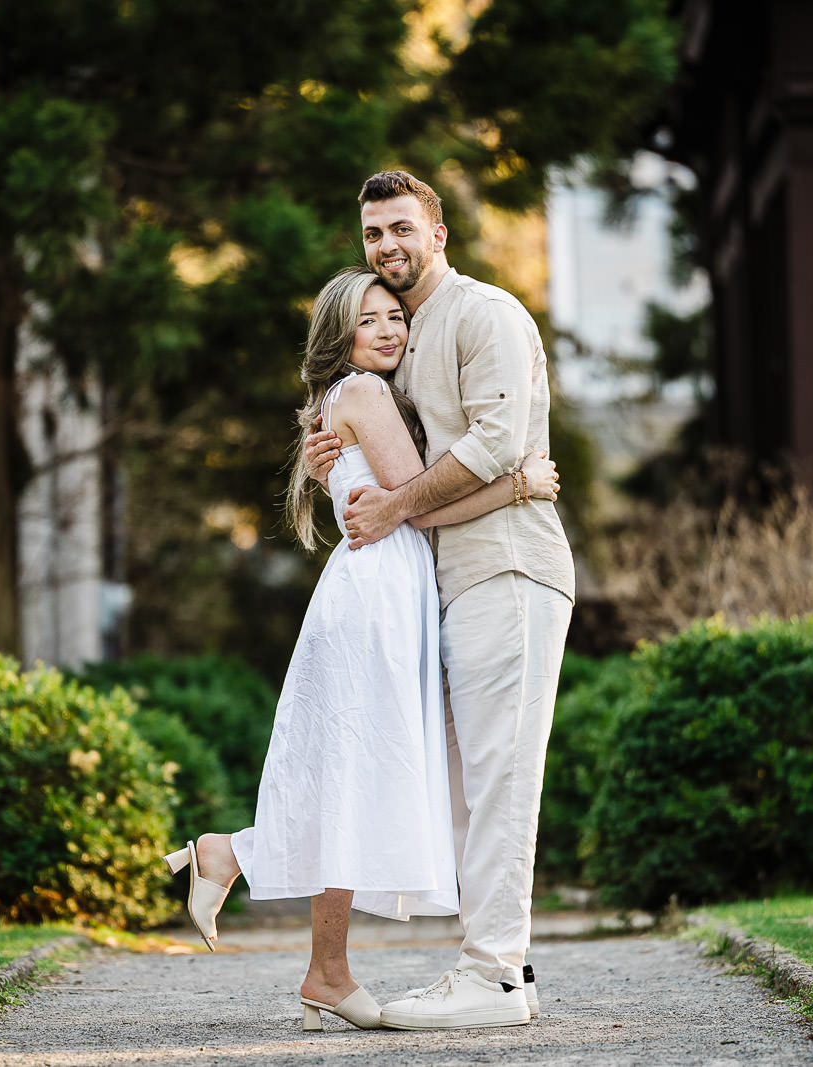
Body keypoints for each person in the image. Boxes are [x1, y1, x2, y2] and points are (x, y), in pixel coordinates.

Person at [164, 265, 560, 1032]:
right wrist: (520, 485)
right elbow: (419, 501)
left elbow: (401, 495)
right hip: (377, 596)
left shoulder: (364, 395)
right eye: (367, 320)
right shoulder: (368, 393)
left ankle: (282, 917)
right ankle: (256, 887)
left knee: (353, 779)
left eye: (394, 317)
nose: (388, 329)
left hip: (388, 592)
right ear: (339, 337)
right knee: (354, 776)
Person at [304, 171, 576, 1030]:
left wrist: (398, 505)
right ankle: (505, 967)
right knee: (471, 786)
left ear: (439, 232)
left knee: (500, 779)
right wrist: (337, 455)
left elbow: (497, 441)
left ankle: (492, 975)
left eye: (400, 227)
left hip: (511, 570)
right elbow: (396, 458)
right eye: (373, 233)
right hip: (452, 580)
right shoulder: (409, 338)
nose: (386, 245)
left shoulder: (484, 311)